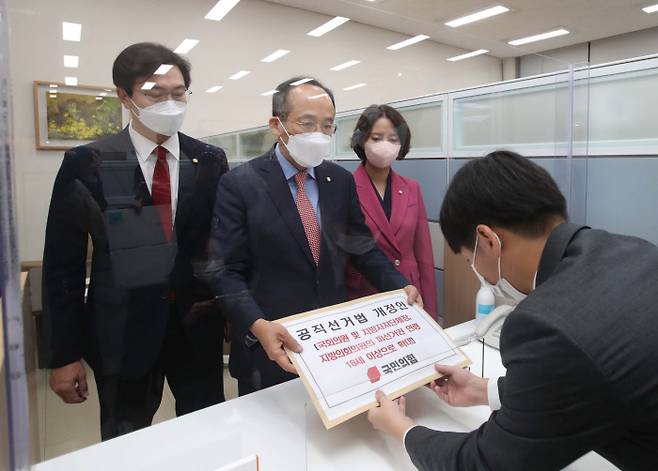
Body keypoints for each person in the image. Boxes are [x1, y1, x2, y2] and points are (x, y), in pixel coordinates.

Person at [367, 150, 658, 470]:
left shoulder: (545, 327)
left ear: (488, 240)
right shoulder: (635, 250)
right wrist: (486, 390)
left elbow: (484, 464)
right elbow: (583, 378)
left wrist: (402, 428)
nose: (477, 272)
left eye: (469, 260)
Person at [43, 42, 229, 440]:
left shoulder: (209, 159)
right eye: (154, 93)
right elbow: (63, 265)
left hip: (196, 328)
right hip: (122, 332)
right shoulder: (92, 161)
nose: (169, 102)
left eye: (178, 93)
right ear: (125, 96)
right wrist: (63, 355)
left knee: (207, 435)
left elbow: (220, 247)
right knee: (124, 440)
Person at [211, 77, 422, 395]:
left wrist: (398, 284)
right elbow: (226, 272)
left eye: (327, 126)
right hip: (269, 344)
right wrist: (256, 324)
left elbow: (361, 248)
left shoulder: (338, 181)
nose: (319, 135)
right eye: (307, 124)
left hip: (331, 344)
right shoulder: (240, 184)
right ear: (276, 124)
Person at [346, 105, 437, 319]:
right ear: (361, 140)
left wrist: (431, 311)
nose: (385, 145)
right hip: (364, 297)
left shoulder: (411, 187)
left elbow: (423, 253)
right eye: (376, 138)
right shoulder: (345, 187)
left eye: (393, 139)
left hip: (409, 296)